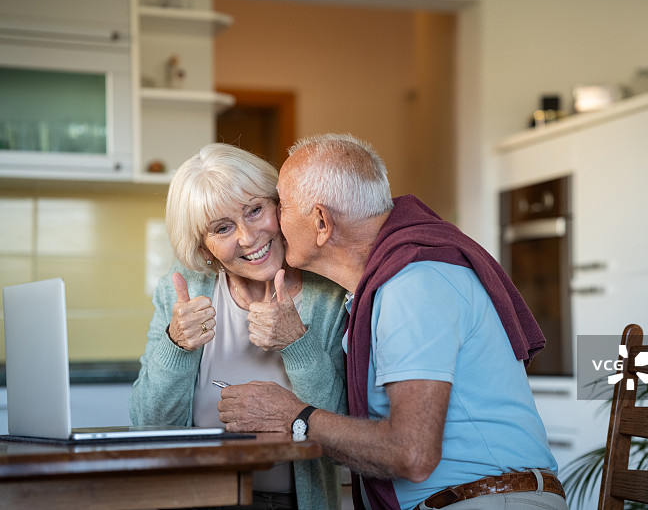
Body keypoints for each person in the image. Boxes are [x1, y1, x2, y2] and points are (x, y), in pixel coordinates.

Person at [217, 133, 568, 510]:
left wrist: (292, 416)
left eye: (281, 206)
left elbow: (411, 453)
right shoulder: (385, 287)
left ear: (321, 221)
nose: (274, 223)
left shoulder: (413, 285)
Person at [129, 143, 349, 510]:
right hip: (198, 499)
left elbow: (343, 438)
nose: (248, 238)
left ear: (279, 205)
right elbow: (147, 429)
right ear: (204, 249)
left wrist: (297, 343)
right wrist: (176, 346)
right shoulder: (182, 288)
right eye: (223, 228)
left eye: (255, 210)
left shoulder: (328, 295)